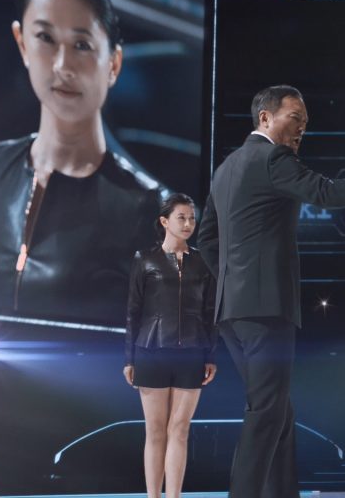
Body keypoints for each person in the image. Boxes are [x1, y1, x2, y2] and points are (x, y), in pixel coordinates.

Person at [198, 84, 345, 497]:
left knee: (278, 411)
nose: (302, 128)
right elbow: (328, 192)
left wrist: (234, 283)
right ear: (265, 118)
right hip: (265, 309)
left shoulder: (226, 168)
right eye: (295, 118)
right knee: (266, 411)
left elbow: (206, 240)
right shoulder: (274, 158)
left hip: (231, 313)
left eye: (305, 122)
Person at [0, 0, 162, 323]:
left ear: (113, 63)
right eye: (45, 38)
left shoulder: (146, 208)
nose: (62, 65)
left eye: (81, 45)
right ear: (22, 43)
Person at [124, 193, 217, 498]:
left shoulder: (203, 261)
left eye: (192, 218)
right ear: (164, 221)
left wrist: (210, 354)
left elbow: (209, 312)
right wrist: (129, 358)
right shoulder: (144, 259)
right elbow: (133, 311)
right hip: (150, 351)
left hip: (192, 353)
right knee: (155, 430)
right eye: (182, 217)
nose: (188, 223)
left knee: (180, 428)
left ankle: (174, 496)